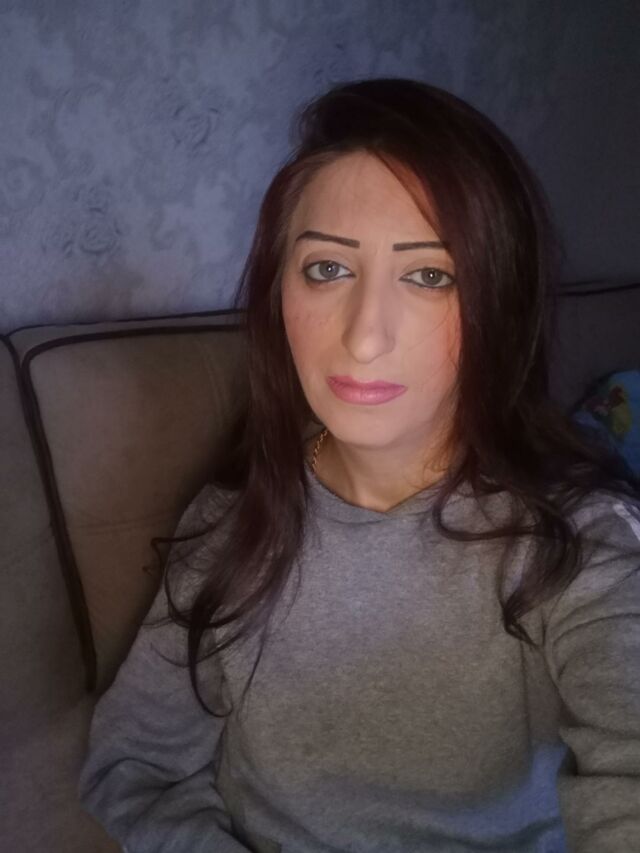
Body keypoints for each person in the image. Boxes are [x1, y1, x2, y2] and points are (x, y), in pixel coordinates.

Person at [77, 77, 640, 853]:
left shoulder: (579, 542)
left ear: (498, 304)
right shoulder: (232, 525)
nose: (365, 336)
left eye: (431, 275)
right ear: (278, 292)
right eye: (327, 269)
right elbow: (134, 766)